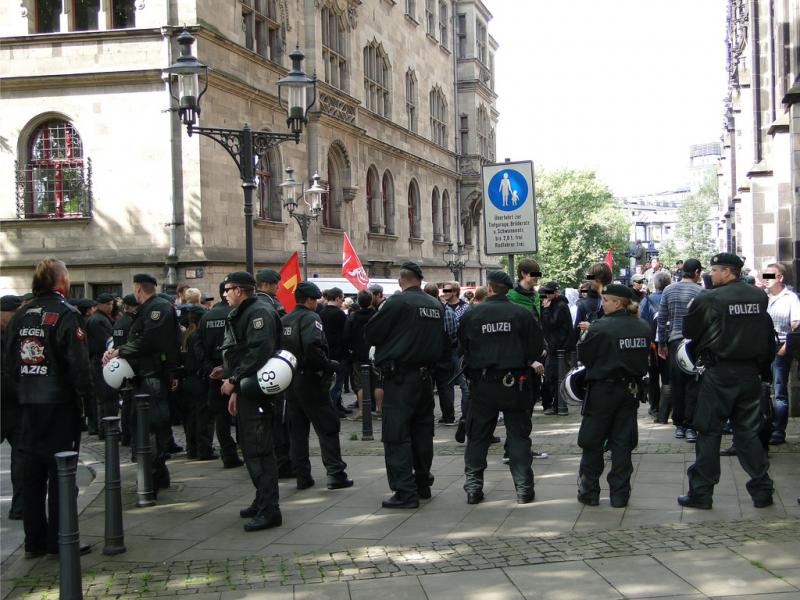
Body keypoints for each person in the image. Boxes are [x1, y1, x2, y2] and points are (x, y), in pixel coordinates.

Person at [5, 259, 93, 558]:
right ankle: (59, 539)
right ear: (60, 282)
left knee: (32, 474)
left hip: (28, 404)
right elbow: (78, 365)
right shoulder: (66, 314)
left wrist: (24, 391)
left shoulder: (21, 315)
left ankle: (34, 542)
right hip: (58, 404)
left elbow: (10, 363)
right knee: (61, 474)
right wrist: (84, 396)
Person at [679, 253, 776, 510]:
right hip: (749, 373)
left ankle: (701, 492)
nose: (710, 274)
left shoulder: (710, 298)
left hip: (720, 373)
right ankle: (762, 489)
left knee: (708, 431)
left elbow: (690, 330)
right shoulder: (758, 296)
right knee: (748, 433)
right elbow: (766, 333)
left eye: (714, 270)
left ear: (727, 272)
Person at [365, 261, 447, 508]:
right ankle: (422, 484)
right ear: (420, 280)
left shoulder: (397, 303)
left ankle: (405, 491)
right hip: (425, 378)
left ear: (401, 281)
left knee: (396, 435)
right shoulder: (435, 304)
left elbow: (372, 334)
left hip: (400, 378)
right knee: (422, 432)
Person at [458, 271, 544, 504]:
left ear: (489, 287)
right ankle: (524, 489)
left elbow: (462, 347)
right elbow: (536, 348)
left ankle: (474, 488)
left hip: (483, 384)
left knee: (477, 437)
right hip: (515, 384)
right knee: (518, 437)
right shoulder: (522, 313)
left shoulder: (473, 313)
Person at [103, 274, 180, 494]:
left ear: (138, 289)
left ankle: (151, 479)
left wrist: (121, 351)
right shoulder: (149, 309)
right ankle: (158, 475)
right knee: (151, 426)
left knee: (151, 428)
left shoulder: (157, 309)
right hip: (146, 375)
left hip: (151, 376)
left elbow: (150, 341)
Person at [576, 284, 651, 508]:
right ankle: (620, 494)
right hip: (629, 391)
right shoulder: (642, 327)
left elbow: (586, 356)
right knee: (622, 443)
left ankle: (589, 491)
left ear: (617, 302)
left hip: (602, 390)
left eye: (606, 300)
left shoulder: (601, 327)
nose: (603, 304)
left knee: (593, 441)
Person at [221, 271, 283, 531]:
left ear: (240, 290)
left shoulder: (258, 312)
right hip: (248, 389)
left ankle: (270, 510)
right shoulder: (247, 311)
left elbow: (259, 352)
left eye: (228, 289)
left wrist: (234, 379)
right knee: (250, 447)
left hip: (258, 391)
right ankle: (262, 500)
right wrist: (235, 386)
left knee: (259, 450)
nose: (224, 294)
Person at [281, 282, 353, 491]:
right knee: (328, 426)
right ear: (311, 300)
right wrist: (329, 364)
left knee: (297, 432)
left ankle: (303, 476)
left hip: (291, 380)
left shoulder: (285, 319)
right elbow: (312, 345)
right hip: (311, 380)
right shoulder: (310, 317)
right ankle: (335, 473)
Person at [196, 282, 243, 469]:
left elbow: (197, 346)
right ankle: (244, 449)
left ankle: (228, 454)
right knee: (240, 413)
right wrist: (227, 369)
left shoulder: (207, 316)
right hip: (232, 373)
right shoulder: (235, 314)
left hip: (214, 374)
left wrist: (211, 368)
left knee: (221, 418)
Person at [656, 259, 704, 433]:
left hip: (675, 341)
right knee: (693, 383)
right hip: (694, 343)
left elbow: (661, 319)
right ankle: (691, 424)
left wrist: (662, 343)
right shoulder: (701, 291)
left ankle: (679, 424)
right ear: (697, 272)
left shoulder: (669, 290)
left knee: (676, 383)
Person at [255, 268, 293, 478]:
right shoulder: (271, 305)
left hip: (252, 374)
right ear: (267, 285)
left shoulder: (248, 305)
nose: (278, 288)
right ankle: (282, 462)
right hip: (272, 370)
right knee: (277, 419)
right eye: (276, 285)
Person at [762, 262, 800, 445]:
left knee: (779, 391)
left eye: (770, 276)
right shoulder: (763, 297)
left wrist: (786, 346)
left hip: (780, 349)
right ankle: (763, 426)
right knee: (762, 390)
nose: (765, 279)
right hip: (761, 349)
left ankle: (778, 430)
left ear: (780, 278)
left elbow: (796, 324)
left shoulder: (790, 298)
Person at [179, 305, 217, 461]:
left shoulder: (187, 334)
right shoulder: (197, 335)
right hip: (198, 380)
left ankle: (192, 448)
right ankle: (204, 449)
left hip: (188, 379)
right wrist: (212, 370)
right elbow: (200, 358)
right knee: (203, 417)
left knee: (192, 417)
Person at [1, 295, 23, 520]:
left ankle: (20, 506)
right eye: (15, 313)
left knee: (21, 456)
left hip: (14, 407)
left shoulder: (12, 333)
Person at [639, 272, 672, 423]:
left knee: (653, 377)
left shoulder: (647, 300)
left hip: (652, 344)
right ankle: (667, 408)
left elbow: (642, 323)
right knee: (668, 378)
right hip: (670, 342)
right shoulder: (672, 297)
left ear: (655, 285)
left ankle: (654, 408)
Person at [342, 289, 378, 420]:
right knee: (377, 383)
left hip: (358, 355)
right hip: (375, 354)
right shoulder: (377, 315)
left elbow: (346, 336)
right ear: (370, 300)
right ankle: (379, 410)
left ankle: (362, 411)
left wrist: (351, 349)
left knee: (360, 385)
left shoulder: (352, 317)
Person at [424, 283, 456, 425]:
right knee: (446, 387)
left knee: (426, 387)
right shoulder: (447, 310)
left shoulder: (421, 311)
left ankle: (427, 416)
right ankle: (448, 417)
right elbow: (453, 332)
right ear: (438, 293)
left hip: (427, 354)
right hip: (444, 353)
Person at [540, 281, 573, 416]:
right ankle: (556, 405)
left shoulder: (560, 306)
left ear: (556, 292)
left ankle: (558, 406)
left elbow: (551, 324)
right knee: (553, 377)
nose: (547, 295)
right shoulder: (556, 304)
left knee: (554, 377)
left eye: (550, 292)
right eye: (545, 293)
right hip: (556, 347)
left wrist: (546, 310)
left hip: (558, 347)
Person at [87, 292, 117, 436]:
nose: (110, 307)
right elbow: (105, 342)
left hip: (100, 360)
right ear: (99, 305)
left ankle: (104, 428)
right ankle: (106, 429)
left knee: (104, 397)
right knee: (106, 397)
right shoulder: (98, 320)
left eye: (111, 304)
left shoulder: (101, 318)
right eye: (107, 304)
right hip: (101, 360)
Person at [320, 287, 351, 417]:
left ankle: (337, 404)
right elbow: (346, 334)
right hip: (339, 352)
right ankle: (334, 407)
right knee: (338, 382)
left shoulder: (321, 312)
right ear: (337, 298)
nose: (342, 301)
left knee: (332, 381)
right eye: (342, 299)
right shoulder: (339, 314)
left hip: (327, 352)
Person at [112, 294, 139, 446]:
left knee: (127, 402)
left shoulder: (119, 322)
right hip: (130, 364)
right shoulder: (131, 322)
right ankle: (130, 435)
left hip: (121, 364)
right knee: (131, 403)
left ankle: (126, 435)